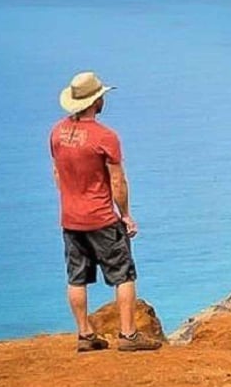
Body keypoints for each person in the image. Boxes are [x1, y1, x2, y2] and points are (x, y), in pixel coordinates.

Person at [50, 71, 159, 352]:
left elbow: (57, 174)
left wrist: (70, 201)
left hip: (70, 218)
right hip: (101, 218)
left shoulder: (56, 133)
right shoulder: (105, 137)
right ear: (95, 101)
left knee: (76, 277)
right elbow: (118, 182)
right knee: (123, 274)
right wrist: (126, 215)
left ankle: (85, 334)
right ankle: (129, 335)